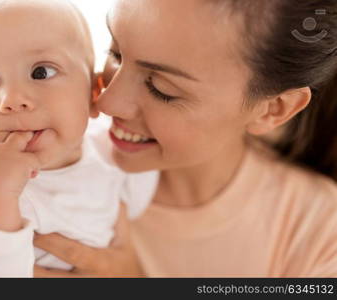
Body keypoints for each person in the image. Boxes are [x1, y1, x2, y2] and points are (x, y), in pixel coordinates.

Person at [33, 0, 337, 277]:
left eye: (161, 88)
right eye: (115, 53)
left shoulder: (321, 235)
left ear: (273, 109)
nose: (108, 102)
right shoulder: (31, 173)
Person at [0, 0, 157, 277]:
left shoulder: (110, 148)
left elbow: (140, 203)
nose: (11, 100)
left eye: (41, 72)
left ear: (93, 94)